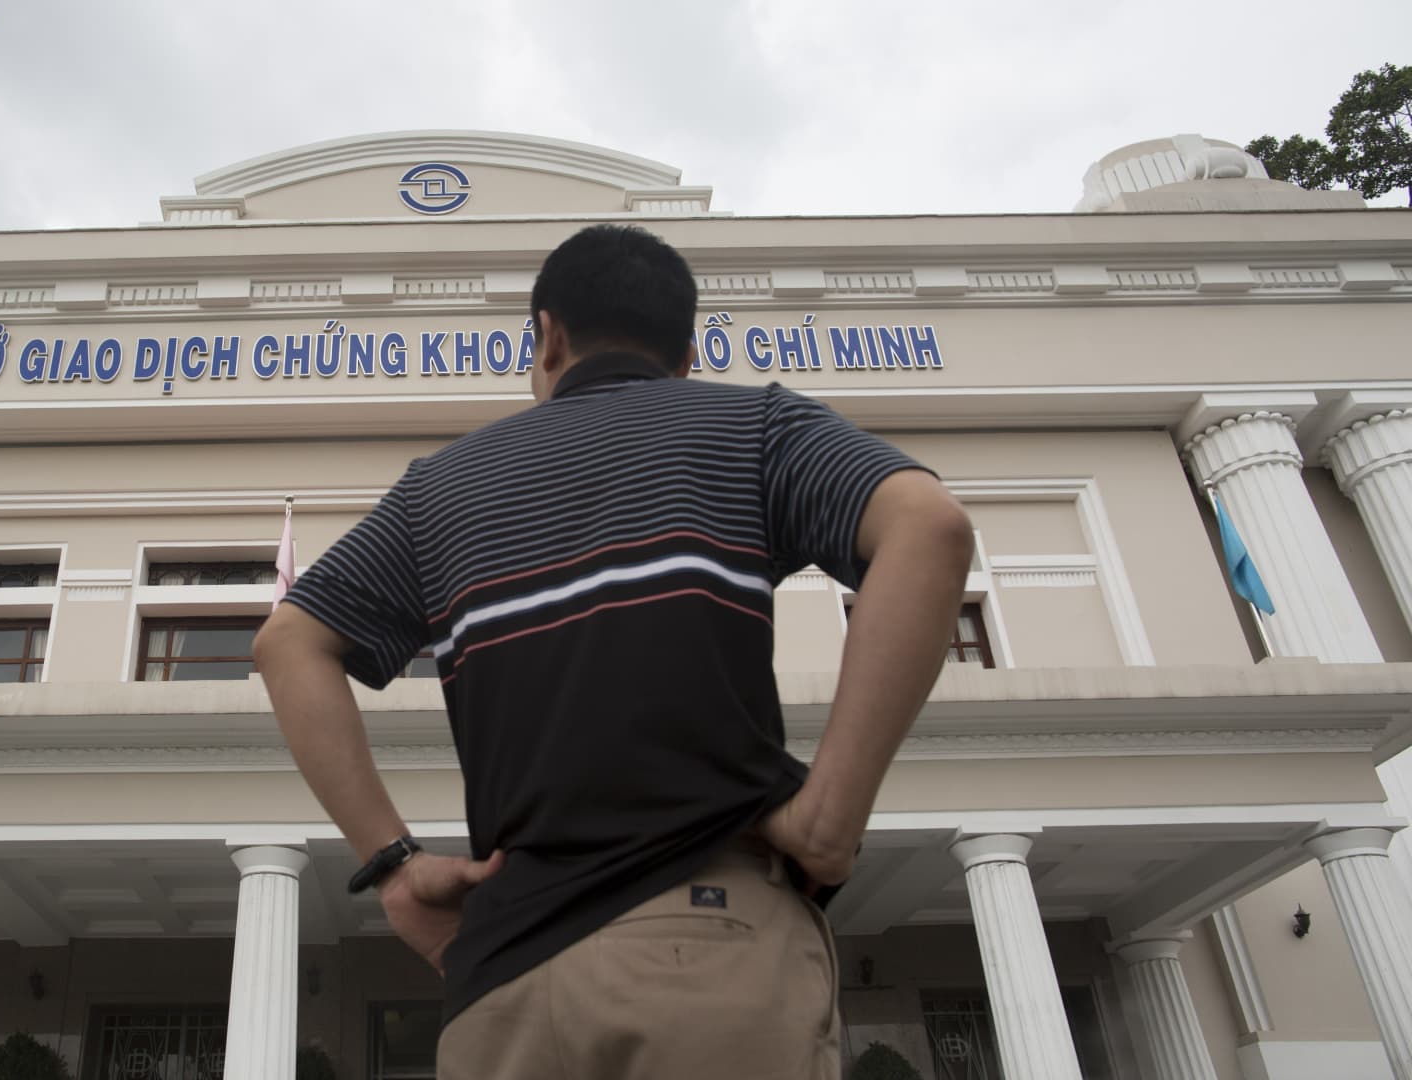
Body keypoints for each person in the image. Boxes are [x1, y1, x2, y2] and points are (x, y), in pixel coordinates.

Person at [253, 224, 974, 1079]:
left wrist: (394, 867)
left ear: (548, 336)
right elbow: (929, 526)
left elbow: (289, 641)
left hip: (502, 978)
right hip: (709, 940)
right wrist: (830, 819)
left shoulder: (436, 490)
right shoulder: (754, 425)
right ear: (687, 357)